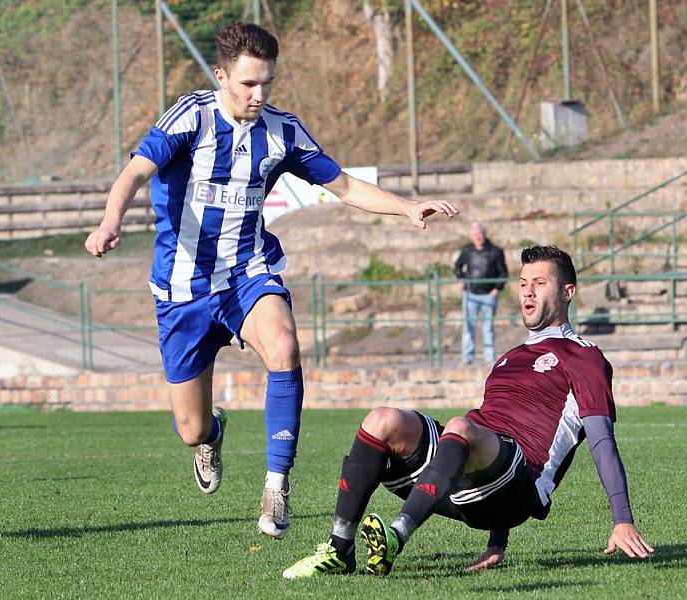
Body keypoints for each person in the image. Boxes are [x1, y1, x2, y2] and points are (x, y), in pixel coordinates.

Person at [84, 21, 458, 538]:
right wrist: (111, 220)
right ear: (221, 76)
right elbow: (135, 173)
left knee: (285, 347)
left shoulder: (283, 130)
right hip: (182, 290)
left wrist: (406, 207)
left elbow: (345, 184)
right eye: (248, 85)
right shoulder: (190, 117)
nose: (259, 95)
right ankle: (212, 434)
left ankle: (276, 485)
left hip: (248, 273)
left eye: (267, 84)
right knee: (190, 428)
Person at [283, 245, 653, 578]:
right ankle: (339, 549)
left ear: (567, 292)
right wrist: (497, 543)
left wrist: (622, 520)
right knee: (382, 420)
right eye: (524, 282)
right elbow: (491, 431)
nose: (527, 290)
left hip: (517, 487)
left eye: (539, 283)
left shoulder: (584, 356)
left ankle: (394, 538)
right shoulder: (510, 358)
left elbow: (601, 440)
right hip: (470, 476)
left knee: (462, 425)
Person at [454, 222, 507, 365]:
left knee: (488, 327)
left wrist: (497, 288)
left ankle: (489, 358)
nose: (478, 237)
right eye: (475, 234)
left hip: (488, 294)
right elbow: (457, 266)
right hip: (470, 293)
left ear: (485, 234)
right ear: (471, 236)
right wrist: (461, 279)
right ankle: (467, 357)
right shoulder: (467, 250)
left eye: (480, 234)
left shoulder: (495, 251)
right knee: (468, 327)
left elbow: (503, 272)